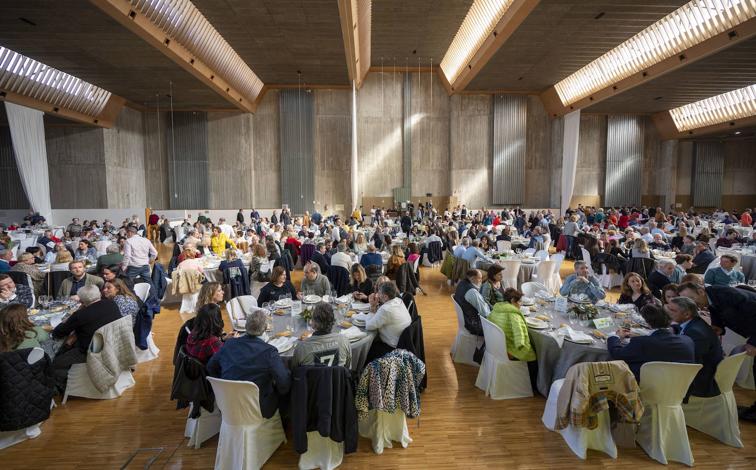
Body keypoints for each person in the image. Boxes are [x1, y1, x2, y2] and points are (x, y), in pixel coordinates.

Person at [207, 310, 291, 419]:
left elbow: (210, 367)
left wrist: (223, 384)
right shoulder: (269, 352)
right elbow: (284, 385)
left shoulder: (229, 344)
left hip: (228, 404)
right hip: (258, 408)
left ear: (246, 327)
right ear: (265, 329)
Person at [51, 285, 122, 392]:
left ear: (82, 300)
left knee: (55, 363)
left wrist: (75, 314)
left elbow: (58, 333)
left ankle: (66, 388)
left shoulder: (80, 315)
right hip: (114, 345)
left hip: (92, 353)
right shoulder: (111, 304)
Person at [607, 303, 695, 382]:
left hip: (644, 387)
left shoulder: (642, 343)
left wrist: (614, 336)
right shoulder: (688, 341)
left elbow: (617, 354)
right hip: (677, 389)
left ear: (646, 322)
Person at [665, 296, 723, 399]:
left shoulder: (696, 333)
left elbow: (691, 362)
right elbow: (681, 328)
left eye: (672, 310)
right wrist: (673, 328)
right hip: (704, 370)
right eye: (668, 308)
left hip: (701, 381)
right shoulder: (695, 323)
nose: (668, 312)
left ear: (687, 314)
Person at [487, 288, 538, 387]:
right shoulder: (514, 316)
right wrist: (526, 349)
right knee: (535, 356)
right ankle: (531, 386)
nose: (521, 304)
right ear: (512, 301)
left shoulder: (496, 309)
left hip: (495, 347)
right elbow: (520, 340)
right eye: (519, 301)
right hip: (508, 350)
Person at [291, 303, 351, 368]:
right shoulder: (344, 341)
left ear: (313, 324)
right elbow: (347, 368)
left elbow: (295, 370)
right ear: (333, 321)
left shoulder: (302, 347)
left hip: (312, 378)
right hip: (338, 377)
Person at [365, 281, 412, 363]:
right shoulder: (398, 300)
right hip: (404, 343)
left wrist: (372, 306)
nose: (377, 295)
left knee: (366, 348)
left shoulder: (386, 309)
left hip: (391, 348)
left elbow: (368, 326)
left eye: (379, 293)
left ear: (385, 296)